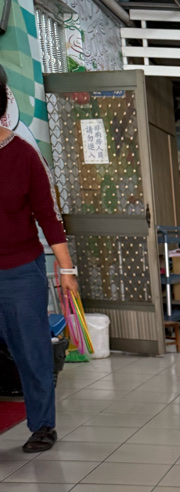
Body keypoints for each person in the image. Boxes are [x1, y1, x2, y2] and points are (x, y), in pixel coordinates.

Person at [0, 65, 78, 452]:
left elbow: (47, 216)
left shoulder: (23, 155)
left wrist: (66, 269)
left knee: (30, 352)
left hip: (19, 271)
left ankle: (43, 425)